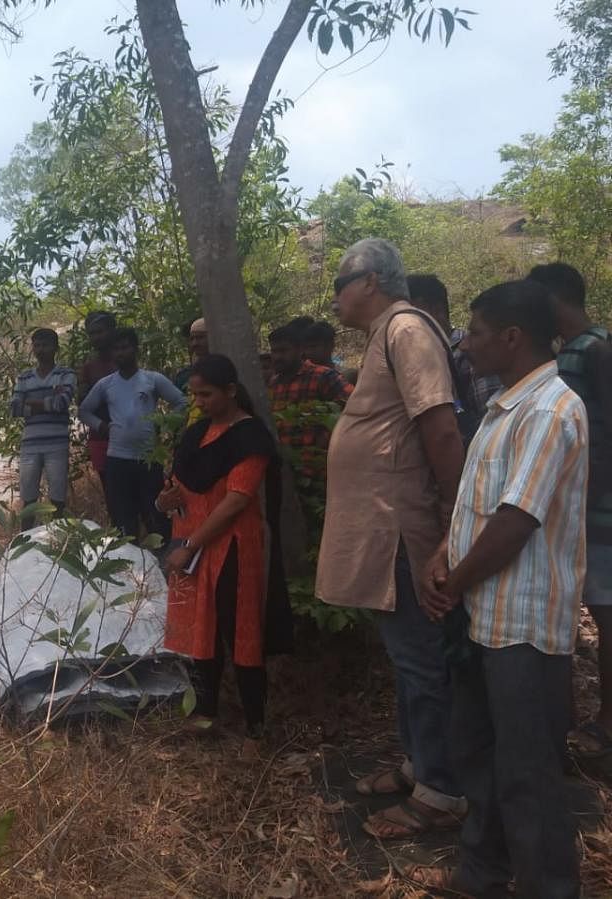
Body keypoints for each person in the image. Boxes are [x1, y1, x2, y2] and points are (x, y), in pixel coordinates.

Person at [416, 279, 587, 898]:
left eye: (477, 332)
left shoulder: (548, 411)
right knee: (481, 759)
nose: (465, 343)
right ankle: (483, 876)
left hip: (521, 627)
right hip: (483, 618)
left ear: (512, 338)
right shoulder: (503, 409)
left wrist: (452, 584)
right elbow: (474, 507)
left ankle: (550, 887)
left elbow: (515, 521)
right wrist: (443, 557)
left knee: (528, 775)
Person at [316, 238, 468, 839]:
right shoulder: (386, 334)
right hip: (383, 533)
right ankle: (418, 765)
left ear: (370, 282)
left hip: (404, 531)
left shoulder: (406, 330)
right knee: (408, 662)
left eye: (339, 286)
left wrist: (454, 526)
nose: (334, 301)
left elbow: (442, 429)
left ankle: (441, 792)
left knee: (423, 662)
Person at [157, 355, 293, 747]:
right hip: (190, 543)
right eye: (195, 394)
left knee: (240, 631)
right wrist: (165, 500)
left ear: (231, 391)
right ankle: (205, 712)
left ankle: (256, 725)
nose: (199, 402)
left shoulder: (249, 437)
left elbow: (236, 501)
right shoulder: (196, 433)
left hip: (231, 545)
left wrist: (192, 545)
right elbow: (178, 487)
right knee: (201, 631)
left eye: (207, 394)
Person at [527, 262, 612, 761]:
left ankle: (606, 722)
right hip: (577, 512)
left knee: (606, 617)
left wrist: (590, 496)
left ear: (552, 298)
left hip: (600, 514)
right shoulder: (567, 354)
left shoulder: (598, 349)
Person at [78, 327, 185, 542]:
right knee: (123, 519)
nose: (120, 353)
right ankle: (131, 567)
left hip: (148, 459)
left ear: (135, 349)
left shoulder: (151, 379)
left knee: (155, 515)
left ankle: (161, 563)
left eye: (125, 347)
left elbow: (182, 402)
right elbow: (84, 411)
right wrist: (102, 427)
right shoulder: (106, 384)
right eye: (116, 349)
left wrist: (163, 424)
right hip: (117, 459)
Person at [266, 322, 352, 513]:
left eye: (283, 350)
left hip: (320, 474)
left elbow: (355, 407)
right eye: (274, 351)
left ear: (299, 350)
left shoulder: (324, 376)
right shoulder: (274, 383)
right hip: (289, 473)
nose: (277, 357)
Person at [407, 273, 501, 415]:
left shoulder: (471, 353)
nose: (405, 324)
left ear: (437, 310)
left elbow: (491, 416)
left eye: (411, 316)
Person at [10, 328, 76, 525]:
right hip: (30, 444)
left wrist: (31, 402)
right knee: (28, 496)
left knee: (57, 497)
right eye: (36, 345)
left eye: (45, 345)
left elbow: (62, 404)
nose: (40, 350)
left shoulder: (66, 374)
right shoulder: (24, 377)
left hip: (57, 444)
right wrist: (48, 403)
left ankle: (57, 537)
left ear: (55, 347)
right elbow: (15, 409)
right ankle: (26, 539)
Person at [77, 311, 118, 491]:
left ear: (112, 331)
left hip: (130, 437)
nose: (96, 337)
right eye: (92, 333)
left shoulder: (125, 360)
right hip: (100, 437)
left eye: (100, 332)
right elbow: (82, 403)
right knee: (111, 493)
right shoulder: (89, 367)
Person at [173, 317, 210, 393]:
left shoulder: (224, 369)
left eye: (200, 337)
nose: (195, 343)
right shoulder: (183, 377)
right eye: (191, 339)